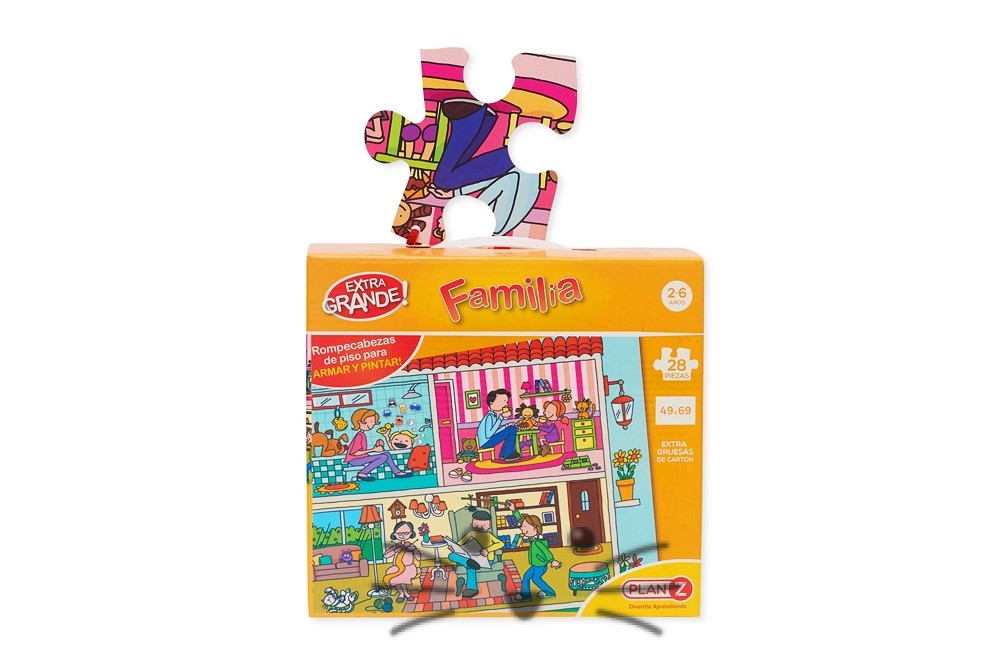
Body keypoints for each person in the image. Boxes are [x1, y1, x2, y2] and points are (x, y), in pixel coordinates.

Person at [506, 500, 561, 601]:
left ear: (535, 529)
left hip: (540, 566)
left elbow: (546, 552)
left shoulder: (537, 542)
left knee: (536, 579)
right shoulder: (533, 540)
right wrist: (514, 510)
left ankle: (550, 592)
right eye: (522, 526)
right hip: (535, 565)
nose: (522, 528)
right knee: (526, 577)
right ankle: (526, 595)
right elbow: (520, 520)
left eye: (525, 526)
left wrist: (552, 560)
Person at [447, 509, 504, 598]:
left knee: (471, 567)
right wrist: (453, 548)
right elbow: (459, 543)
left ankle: (472, 588)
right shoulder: (471, 533)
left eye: (483, 525)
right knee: (451, 556)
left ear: (489, 526)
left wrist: (487, 550)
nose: (479, 527)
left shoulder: (489, 535)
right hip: (470, 558)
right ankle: (467, 562)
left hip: (486, 560)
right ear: (472, 524)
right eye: (476, 524)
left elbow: (501, 544)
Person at [345, 409, 412, 481]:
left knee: (387, 454)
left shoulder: (362, 434)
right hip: (354, 460)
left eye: (374, 422)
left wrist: (375, 448)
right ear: (360, 421)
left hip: (361, 458)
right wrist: (373, 450)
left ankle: (397, 472)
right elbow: (356, 453)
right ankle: (362, 473)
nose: (373, 424)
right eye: (371, 421)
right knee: (383, 457)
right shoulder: (359, 436)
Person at [477, 389, 521, 462]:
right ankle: (508, 453)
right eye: (502, 401)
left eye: (506, 402)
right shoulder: (489, 417)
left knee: (511, 428)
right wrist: (501, 417)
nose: (506, 404)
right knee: (512, 429)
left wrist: (506, 426)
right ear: (491, 403)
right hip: (486, 442)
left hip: (488, 440)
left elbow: (495, 432)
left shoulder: (494, 416)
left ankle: (504, 454)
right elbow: (489, 434)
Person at [383, 521, 421, 603]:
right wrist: (395, 551)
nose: (402, 535)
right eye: (399, 533)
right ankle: (402, 593)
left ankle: (405, 594)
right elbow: (386, 555)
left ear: (411, 533)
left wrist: (414, 550)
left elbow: (418, 557)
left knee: (401, 576)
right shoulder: (397, 546)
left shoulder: (410, 545)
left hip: (409, 567)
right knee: (391, 575)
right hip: (397, 567)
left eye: (406, 533)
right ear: (395, 534)